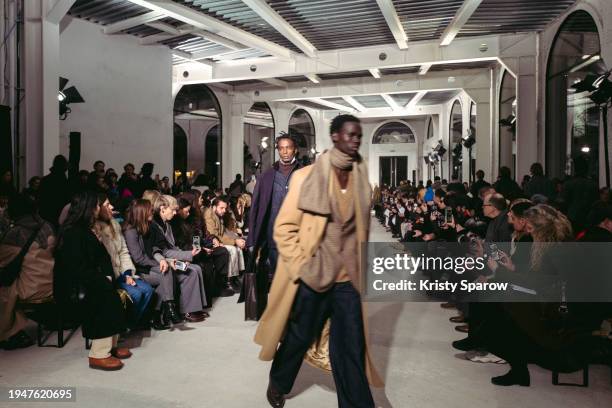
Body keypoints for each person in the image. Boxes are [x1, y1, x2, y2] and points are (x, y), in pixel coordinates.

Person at [255, 114, 383, 408]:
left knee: (351, 347)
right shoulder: (305, 177)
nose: (355, 140)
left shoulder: (360, 177)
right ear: (335, 137)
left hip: (347, 280)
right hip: (314, 276)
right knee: (299, 337)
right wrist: (302, 265)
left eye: (359, 136)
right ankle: (279, 382)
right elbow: (284, 229)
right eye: (350, 135)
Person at [54, 191, 130, 371]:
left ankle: (110, 346)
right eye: (97, 205)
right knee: (105, 297)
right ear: (88, 208)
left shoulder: (85, 229)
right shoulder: (73, 232)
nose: (99, 208)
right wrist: (102, 278)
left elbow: (100, 257)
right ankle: (98, 354)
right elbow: (76, 268)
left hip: (88, 278)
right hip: (74, 285)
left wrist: (107, 275)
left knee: (112, 293)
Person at [0, 194, 55, 350]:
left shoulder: (15, 234)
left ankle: (9, 333)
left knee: (5, 290)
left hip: (32, 288)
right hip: (53, 282)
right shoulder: (47, 226)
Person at [247, 133, 302, 284]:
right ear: (278, 150)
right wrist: (251, 240)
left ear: (295, 150)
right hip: (273, 235)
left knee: (297, 279)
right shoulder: (267, 176)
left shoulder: (304, 173)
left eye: (288, 148)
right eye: (281, 148)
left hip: (298, 235)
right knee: (279, 279)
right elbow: (256, 209)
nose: (284, 152)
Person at [94, 194, 154, 327]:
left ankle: (130, 324)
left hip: (123, 272)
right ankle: (124, 325)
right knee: (136, 294)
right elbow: (103, 261)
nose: (112, 207)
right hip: (110, 276)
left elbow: (123, 252)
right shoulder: (96, 228)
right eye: (107, 205)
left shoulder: (114, 224)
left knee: (148, 290)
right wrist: (121, 278)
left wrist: (127, 274)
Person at [148, 195, 208, 322]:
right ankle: (188, 310)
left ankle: (195, 308)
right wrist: (188, 254)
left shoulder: (166, 225)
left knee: (195, 268)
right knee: (192, 271)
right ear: (162, 209)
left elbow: (172, 247)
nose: (176, 213)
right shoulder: (156, 226)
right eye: (173, 209)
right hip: (162, 263)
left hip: (169, 259)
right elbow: (163, 251)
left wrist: (186, 254)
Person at [123, 199, 174, 330]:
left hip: (148, 266)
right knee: (166, 274)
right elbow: (139, 259)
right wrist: (161, 262)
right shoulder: (130, 231)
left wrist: (162, 261)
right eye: (150, 209)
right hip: (138, 270)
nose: (152, 211)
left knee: (166, 273)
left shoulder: (146, 226)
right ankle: (163, 311)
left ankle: (163, 310)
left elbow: (153, 249)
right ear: (142, 212)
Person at [204, 196, 245, 289]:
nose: (224, 210)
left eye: (225, 208)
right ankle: (229, 280)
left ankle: (236, 276)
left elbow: (225, 231)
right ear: (214, 207)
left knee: (238, 249)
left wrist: (237, 238)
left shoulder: (218, 215)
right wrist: (235, 241)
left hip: (219, 240)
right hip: (212, 242)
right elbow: (213, 234)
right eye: (221, 208)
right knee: (233, 249)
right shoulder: (209, 215)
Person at [561, 156, 599, 232]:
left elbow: (564, 202)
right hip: (588, 217)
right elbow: (596, 202)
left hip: (572, 217)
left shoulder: (568, 184)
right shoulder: (593, 184)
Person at [38, 155, 71, 227]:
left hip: (46, 214)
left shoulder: (45, 180)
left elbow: (40, 198)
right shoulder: (64, 182)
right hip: (60, 213)